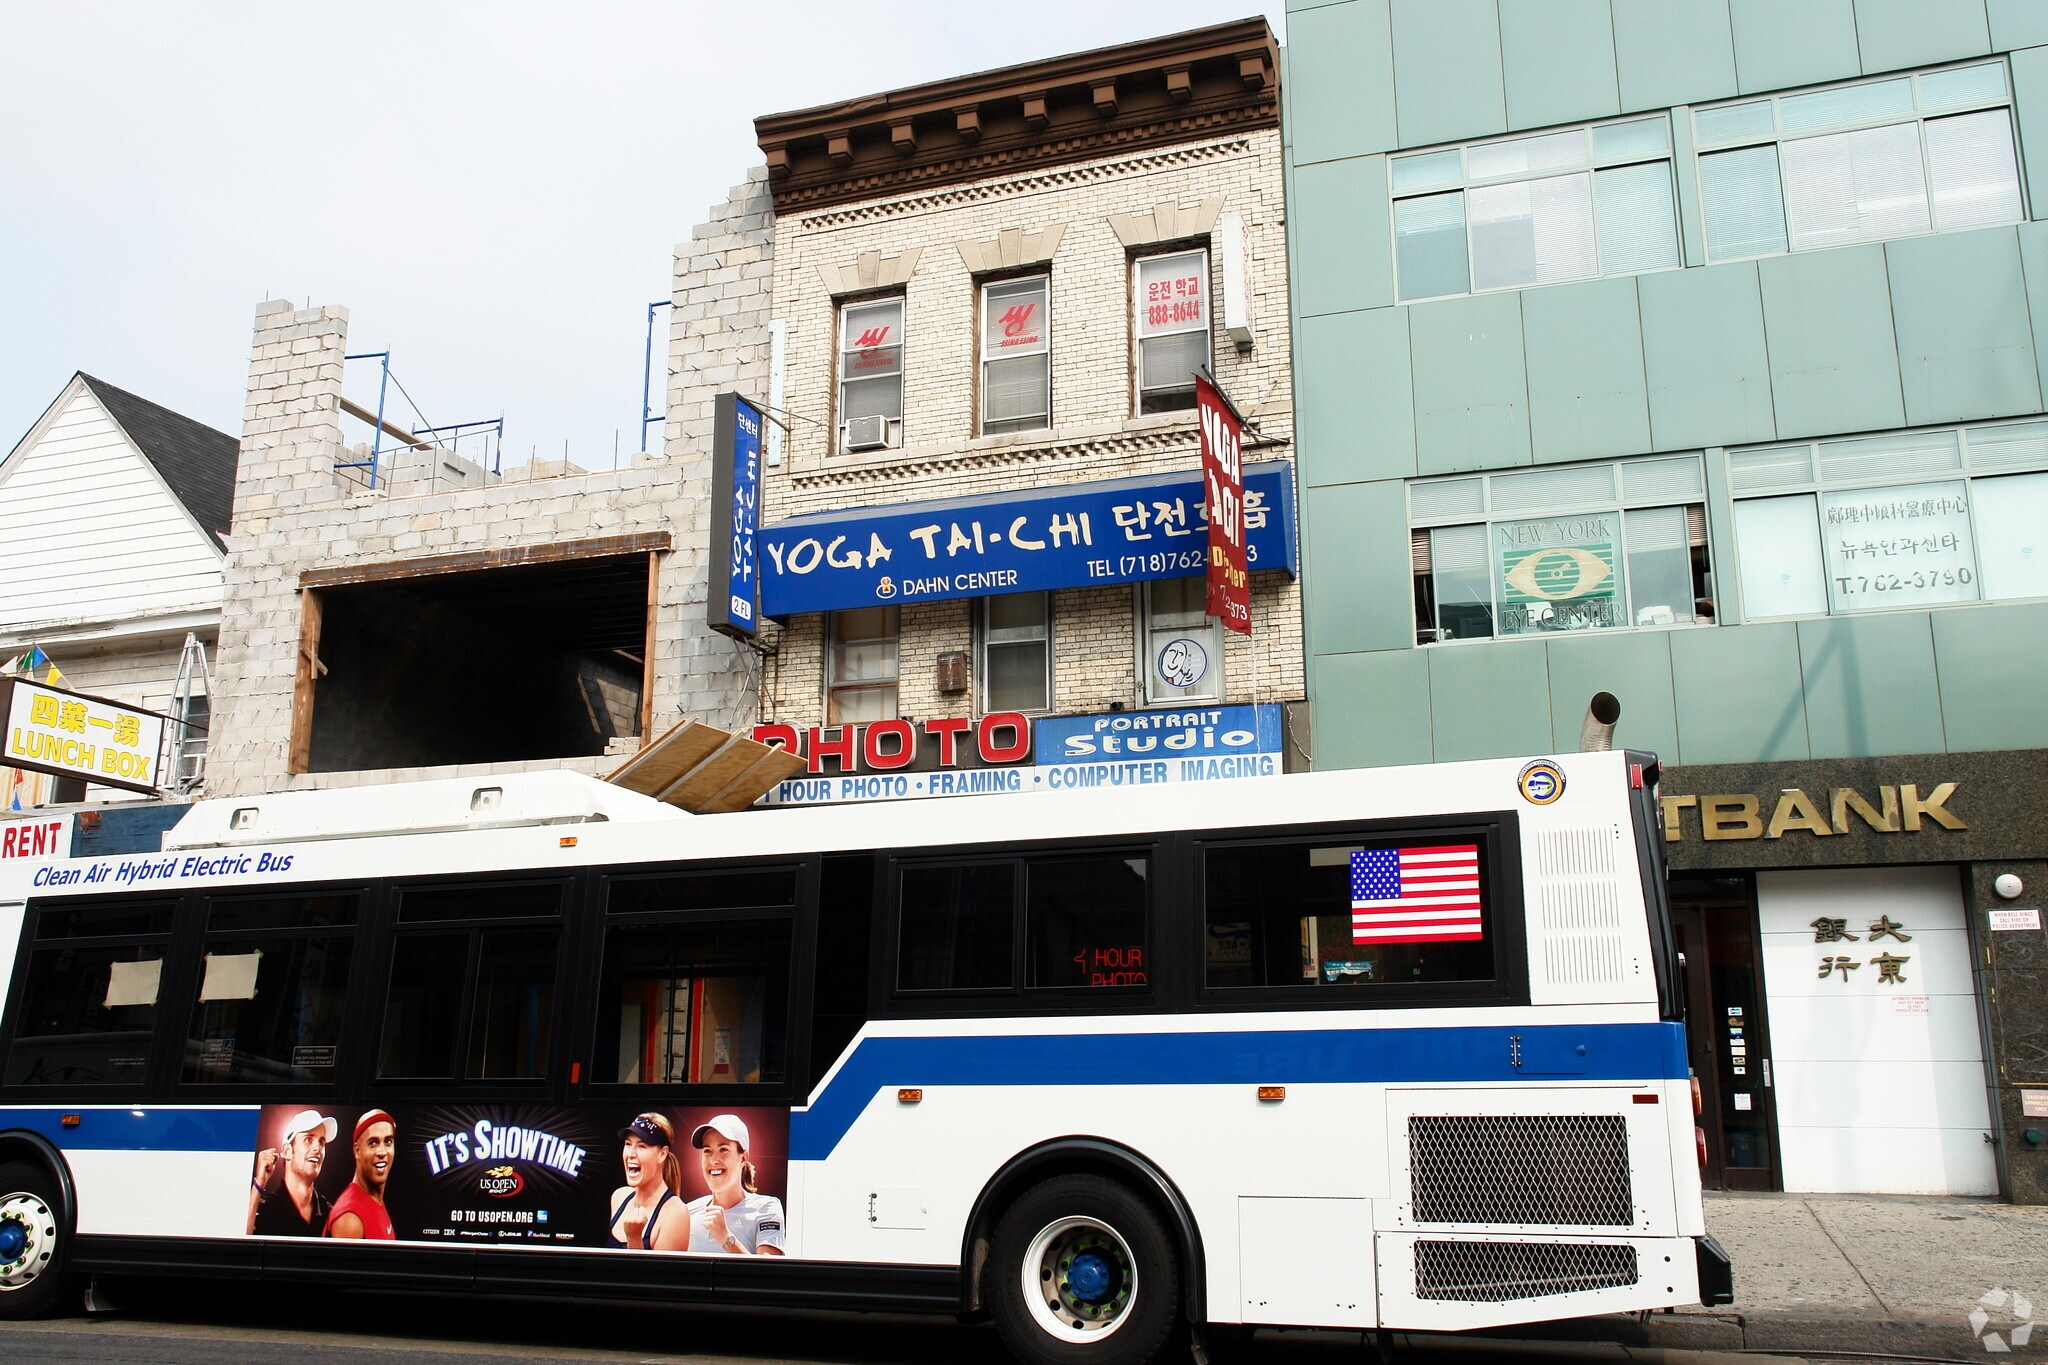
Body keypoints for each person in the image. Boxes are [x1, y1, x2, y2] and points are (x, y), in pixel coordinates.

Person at [685, 1114, 784, 1255]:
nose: (713, 1161)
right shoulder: (687, 1212)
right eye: (707, 1151)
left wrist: (726, 1239)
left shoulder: (766, 1208)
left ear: (743, 1158)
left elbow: (767, 1275)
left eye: (723, 1149)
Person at [606, 1113, 689, 1251]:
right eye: (628, 1144)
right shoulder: (619, 1197)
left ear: (662, 1154)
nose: (631, 1154)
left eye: (641, 1146)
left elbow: (653, 1273)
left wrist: (634, 1238)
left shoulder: (675, 1213)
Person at [248, 1109, 335, 1237]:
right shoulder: (265, 1208)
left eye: (321, 1142)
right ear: (288, 1151)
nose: (318, 1148)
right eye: (308, 1140)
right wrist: (259, 1184)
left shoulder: (330, 1213)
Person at [325, 1109, 398, 1240]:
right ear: (357, 1151)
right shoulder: (350, 1218)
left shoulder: (375, 1200)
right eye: (373, 1143)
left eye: (388, 1142)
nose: (382, 1152)